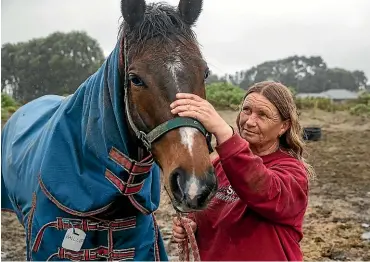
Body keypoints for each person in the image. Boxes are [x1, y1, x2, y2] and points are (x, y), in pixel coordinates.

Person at [169, 81, 315, 261]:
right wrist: (191, 223)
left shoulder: (293, 173)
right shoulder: (221, 165)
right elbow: (204, 211)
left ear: (284, 126)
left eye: (262, 115)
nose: (250, 121)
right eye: (246, 110)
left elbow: (263, 189)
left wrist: (224, 133)